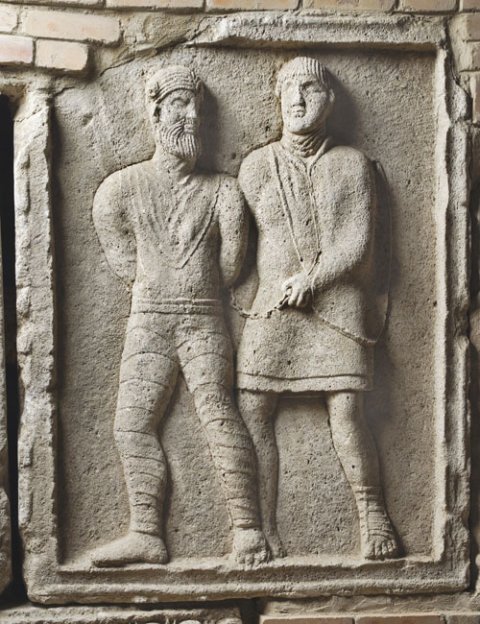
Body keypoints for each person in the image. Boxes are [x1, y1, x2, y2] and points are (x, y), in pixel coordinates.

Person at [91, 64, 269, 567]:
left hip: (203, 320)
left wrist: (182, 283)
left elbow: (232, 267)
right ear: (155, 113)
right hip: (148, 321)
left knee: (218, 415)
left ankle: (248, 531)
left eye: (197, 108)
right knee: (130, 425)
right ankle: (146, 533)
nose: (190, 116)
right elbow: (124, 259)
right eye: (178, 104)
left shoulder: (225, 192)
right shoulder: (119, 190)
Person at [236, 57, 399, 561]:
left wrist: (313, 279)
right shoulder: (256, 166)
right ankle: (259, 527)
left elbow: (357, 241)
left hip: (336, 304)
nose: (297, 98)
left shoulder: (351, 163)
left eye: (309, 87)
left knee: (347, 411)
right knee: (251, 408)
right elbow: (239, 247)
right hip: (274, 306)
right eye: (287, 88)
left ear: (329, 100)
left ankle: (372, 514)